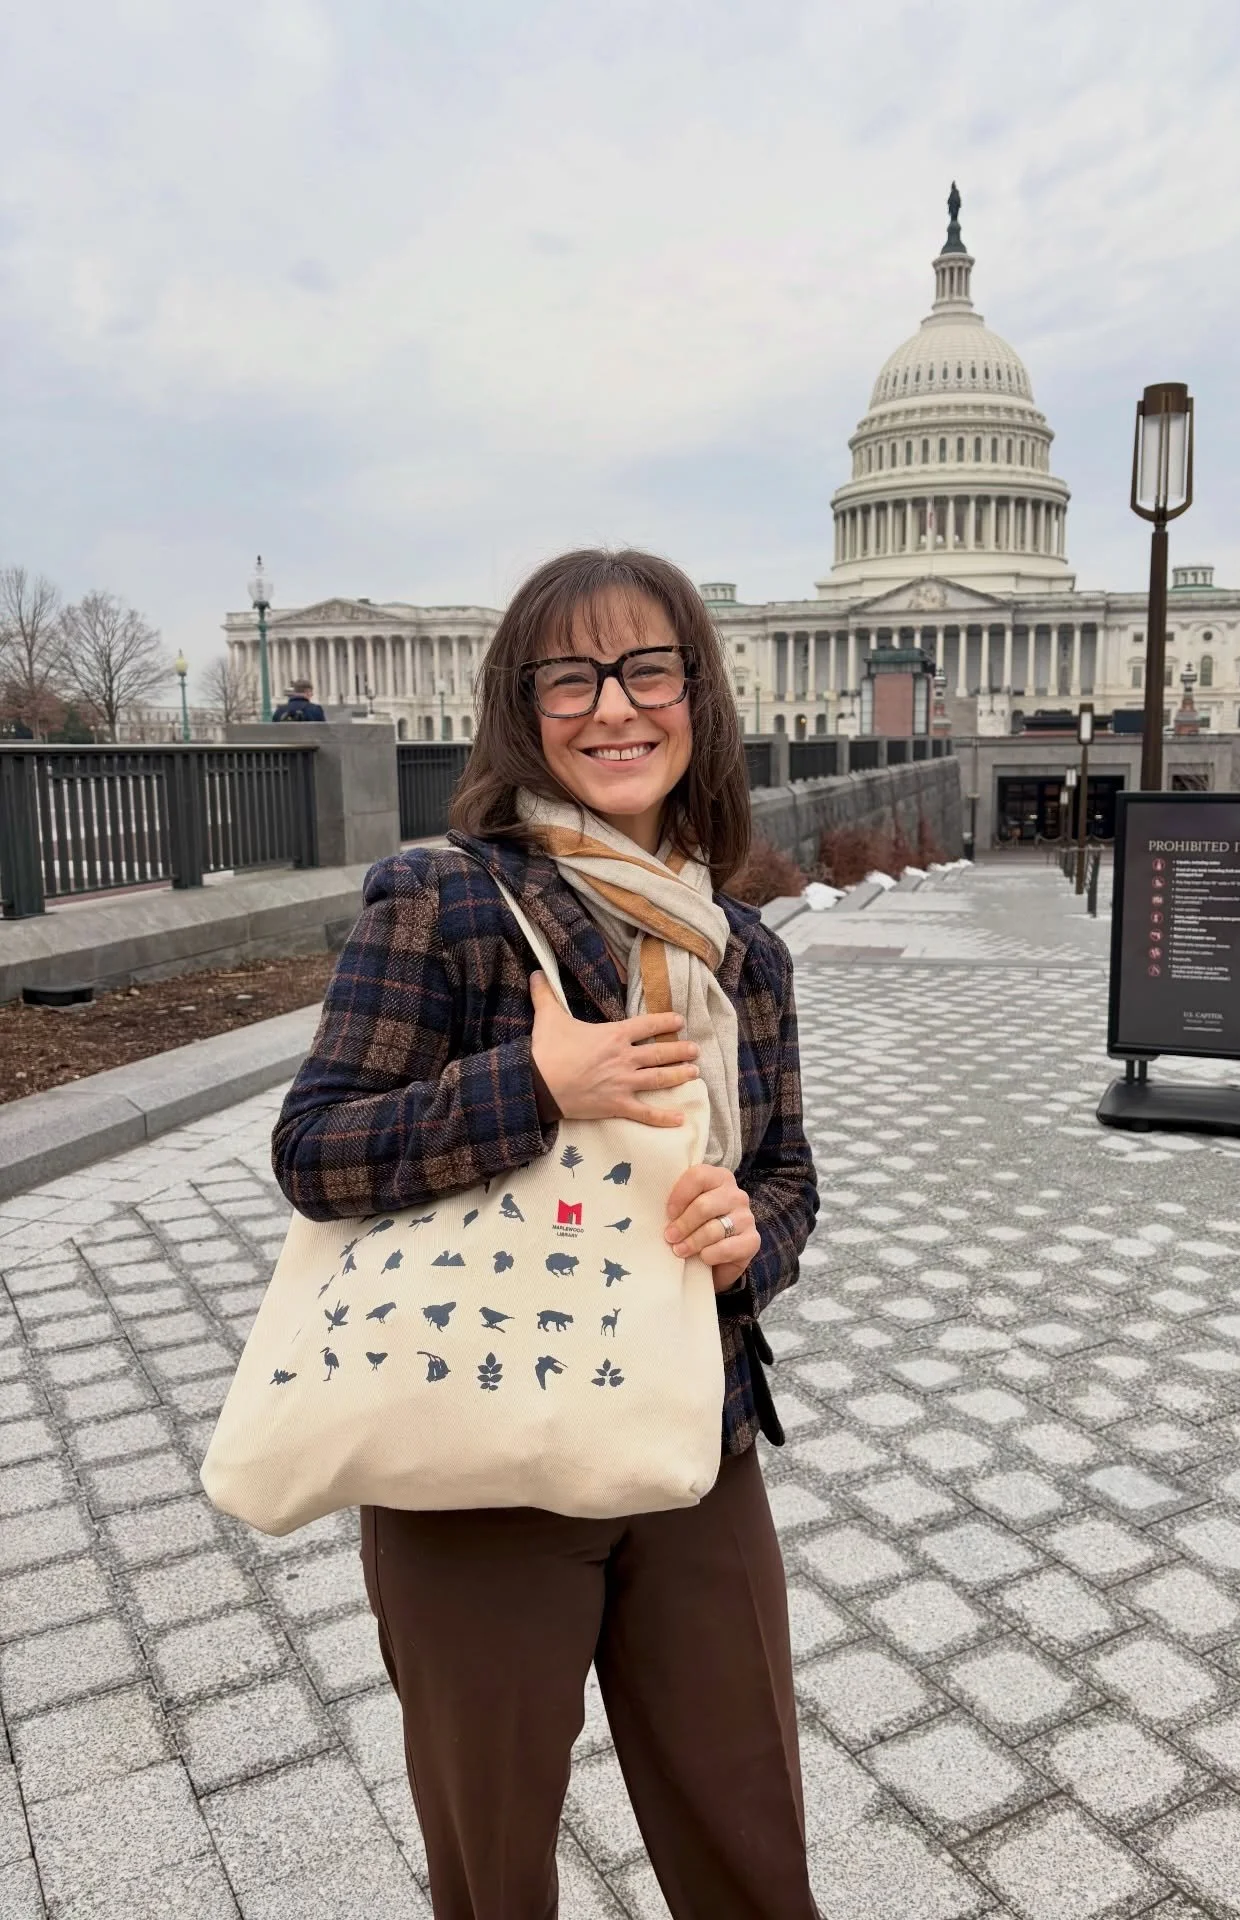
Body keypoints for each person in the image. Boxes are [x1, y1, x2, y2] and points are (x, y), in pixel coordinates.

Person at [272, 549, 822, 1920]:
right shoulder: (445, 898)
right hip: (478, 1452)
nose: (613, 707)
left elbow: (795, 1180)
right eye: (568, 676)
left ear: (696, 696)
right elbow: (316, 1149)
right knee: (496, 1866)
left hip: (698, 1438)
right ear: (524, 707)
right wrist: (535, 1087)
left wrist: (751, 1229)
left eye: (648, 668)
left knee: (750, 1846)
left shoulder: (743, 945)